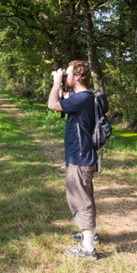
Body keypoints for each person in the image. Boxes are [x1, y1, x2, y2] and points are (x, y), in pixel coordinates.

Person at [47, 60, 98, 260]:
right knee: (85, 195)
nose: (65, 77)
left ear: (77, 77)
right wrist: (61, 85)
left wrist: (56, 82)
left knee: (80, 199)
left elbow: (52, 105)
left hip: (80, 156)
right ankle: (91, 234)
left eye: (68, 74)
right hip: (83, 155)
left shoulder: (82, 98)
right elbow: (64, 100)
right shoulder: (84, 97)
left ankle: (88, 247)